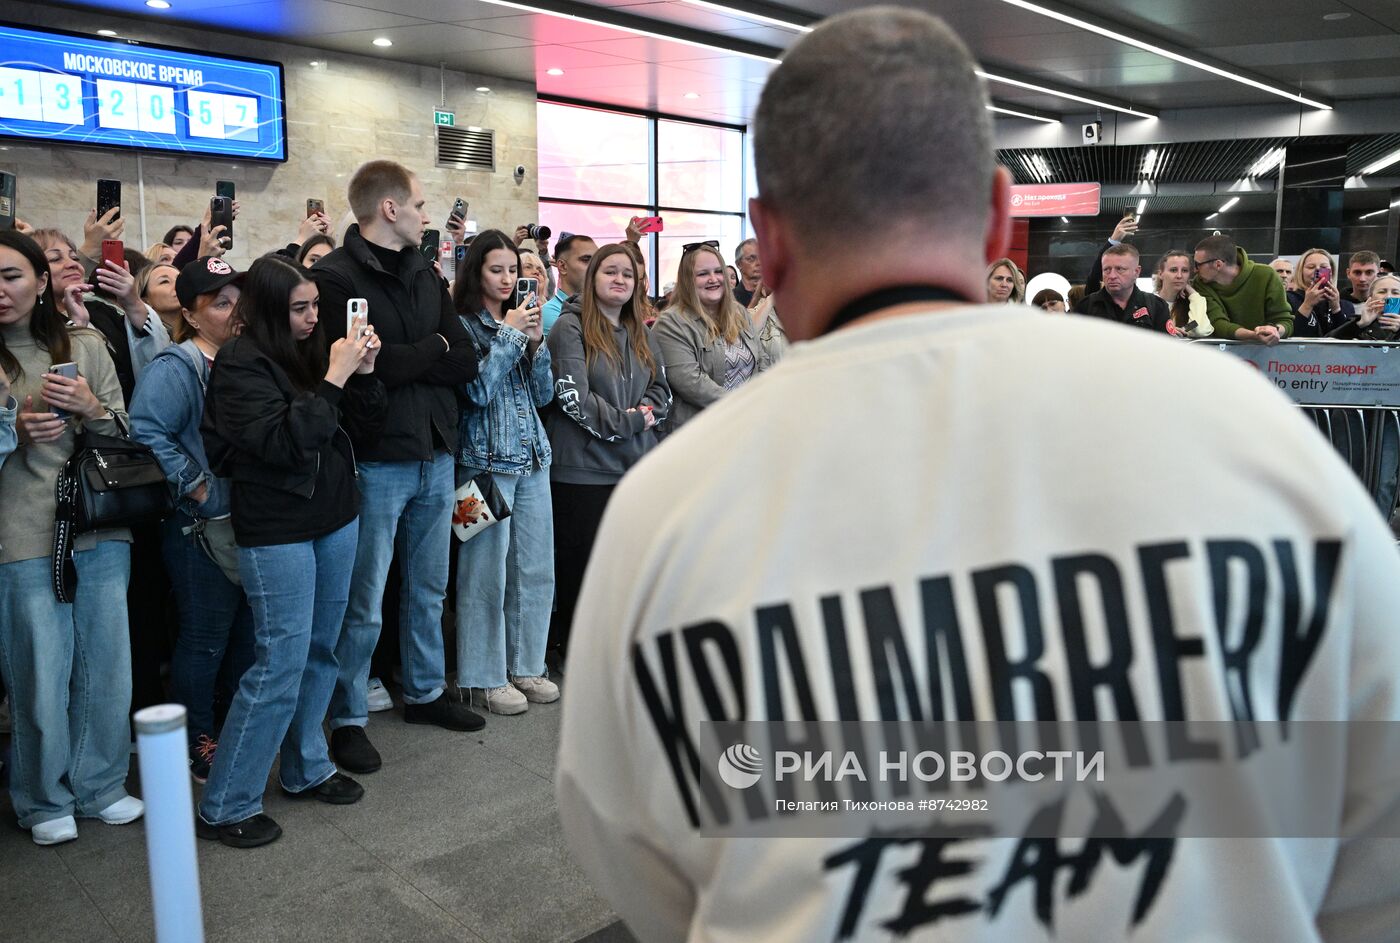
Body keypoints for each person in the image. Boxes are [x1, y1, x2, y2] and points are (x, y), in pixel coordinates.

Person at [553, 9, 1400, 942]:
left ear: (770, 237)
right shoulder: (1250, 436)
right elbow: (1375, 839)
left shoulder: (669, 506)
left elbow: (633, 852)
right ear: (998, 213)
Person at [196, 255, 386, 848]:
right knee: (278, 660)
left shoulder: (312, 350)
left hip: (333, 514)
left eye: (314, 306)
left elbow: (362, 424)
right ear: (270, 311)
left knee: (319, 650)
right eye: (299, 308)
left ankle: (307, 766)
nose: (311, 317)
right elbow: (281, 445)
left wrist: (365, 374)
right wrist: (333, 378)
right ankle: (227, 801)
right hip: (276, 524)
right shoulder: (239, 361)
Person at [314, 160, 483, 776]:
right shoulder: (334, 277)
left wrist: (416, 354)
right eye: (417, 202)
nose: (426, 213)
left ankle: (425, 691)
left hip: (435, 448)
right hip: (377, 455)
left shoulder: (424, 270)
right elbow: (364, 368)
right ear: (389, 208)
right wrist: (425, 352)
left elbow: (462, 356)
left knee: (429, 585)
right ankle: (348, 715)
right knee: (364, 598)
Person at [0, 230, 143, 846]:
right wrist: (15, 433)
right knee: (38, 670)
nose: (0, 291)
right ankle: (41, 797)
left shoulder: (85, 345)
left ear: (40, 282)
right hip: (25, 531)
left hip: (97, 524)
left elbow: (129, 430)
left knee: (107, 666)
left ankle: (101, 784)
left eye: (10, 276)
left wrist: (89, 406)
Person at [129, 257, 255, 782]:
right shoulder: (176, 366)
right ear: (191, 312)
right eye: (219, 303)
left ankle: (229, 728)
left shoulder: (245, 360)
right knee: (205, 637)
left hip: (245, 521)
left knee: (244, 637)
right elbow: (146, 431)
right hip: (198, 526)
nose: (234, 312)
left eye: (237, 301)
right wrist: (196, 486)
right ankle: (196, 738)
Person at [544, 243, 670, 666]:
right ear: (593, 277)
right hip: (582, 471)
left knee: (626, 569)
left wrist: (640, 417)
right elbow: (574, 398)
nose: (619, 280)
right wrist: (632, 422)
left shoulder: (643, 330)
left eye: (627, 275)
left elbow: (662, 392)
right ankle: (576, 653)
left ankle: (616, 649)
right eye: (609, 272)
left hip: (634, 468)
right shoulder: (569, 327)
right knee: (582, 571)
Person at [449, 230, 558, 715]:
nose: (509, 279)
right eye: (498, 270)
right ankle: (481, 676)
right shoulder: (463, 326)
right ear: (477, 273)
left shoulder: (524, 322)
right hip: (481, 464)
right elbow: (475, 392)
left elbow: (543, 395)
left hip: (533, 459)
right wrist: (511, 335)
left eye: (514, 270)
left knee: (535, 568)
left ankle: (526, 665)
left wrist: (534, 344)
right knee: (482, 574)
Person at [651, 240, 785, 435]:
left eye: (718, 271)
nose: (713, 279)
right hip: (698, 432)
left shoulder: (739, 312)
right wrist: (743, 404)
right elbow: (692, 382)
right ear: (688, 280)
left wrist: (759, 399)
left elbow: (761, 360)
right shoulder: (670, 323)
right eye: (703, 274)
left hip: (745, 426)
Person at [33, 229, 170, 401]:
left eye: (75, 257)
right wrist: (78, 326)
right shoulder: (32, 327)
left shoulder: (101, 310)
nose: (73, 264)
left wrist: (132, 301)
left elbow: (159, 362)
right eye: (55, 259)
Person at [1192, 234, 1293, 343]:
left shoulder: (1266, 275)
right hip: (1221, 354)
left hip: (1266, 355)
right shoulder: (1200, 283)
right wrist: (1254, 335)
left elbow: (1285, 321)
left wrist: (1275, 331)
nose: (1194, 270)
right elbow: (1217, 323)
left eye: (1198, 264)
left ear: (1218, 265)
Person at [1072, 244, 1172, 331]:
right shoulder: (1085, 307)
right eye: (1107, 269)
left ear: (1136, 272)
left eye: (1120, 269)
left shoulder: (1156, 306)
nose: (1112, 276)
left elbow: (1165, 349)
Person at [1287, 249, 1353, 338]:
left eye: (1324, 267)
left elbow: (1347, 338)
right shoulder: (1288, 299)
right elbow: (1291, 333)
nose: (1317, 270)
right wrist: (1307, 305)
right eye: (1311, 267)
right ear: (1301, 271)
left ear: (1331, 271)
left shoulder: (1345, 305)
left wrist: (1336, 309)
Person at [542, 233, 598, 335]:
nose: (595, 267)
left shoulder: (602, 307)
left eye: (598, 261)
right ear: (562, 267)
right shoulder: (549, 313)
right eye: (586, 260)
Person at [1153, 250, 1212, 336]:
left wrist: (1194, 295)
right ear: (1161, 274)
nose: (1179, 276)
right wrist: (1167, 330)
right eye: (1173, 270)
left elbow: (1198, 329)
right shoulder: (1148, 302)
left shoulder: (1191, 304)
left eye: (1184, 271)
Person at [137, 262, 182, 337]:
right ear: (145, 301)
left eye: (180, 279)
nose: (178, 284)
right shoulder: (148, 340)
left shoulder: (204, 329)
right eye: (165, 281)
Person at [733, 238, 762, 308]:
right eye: (751, 259)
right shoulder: (731, 298)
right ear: (739, 264)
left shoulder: (774, 295)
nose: (759, 263)